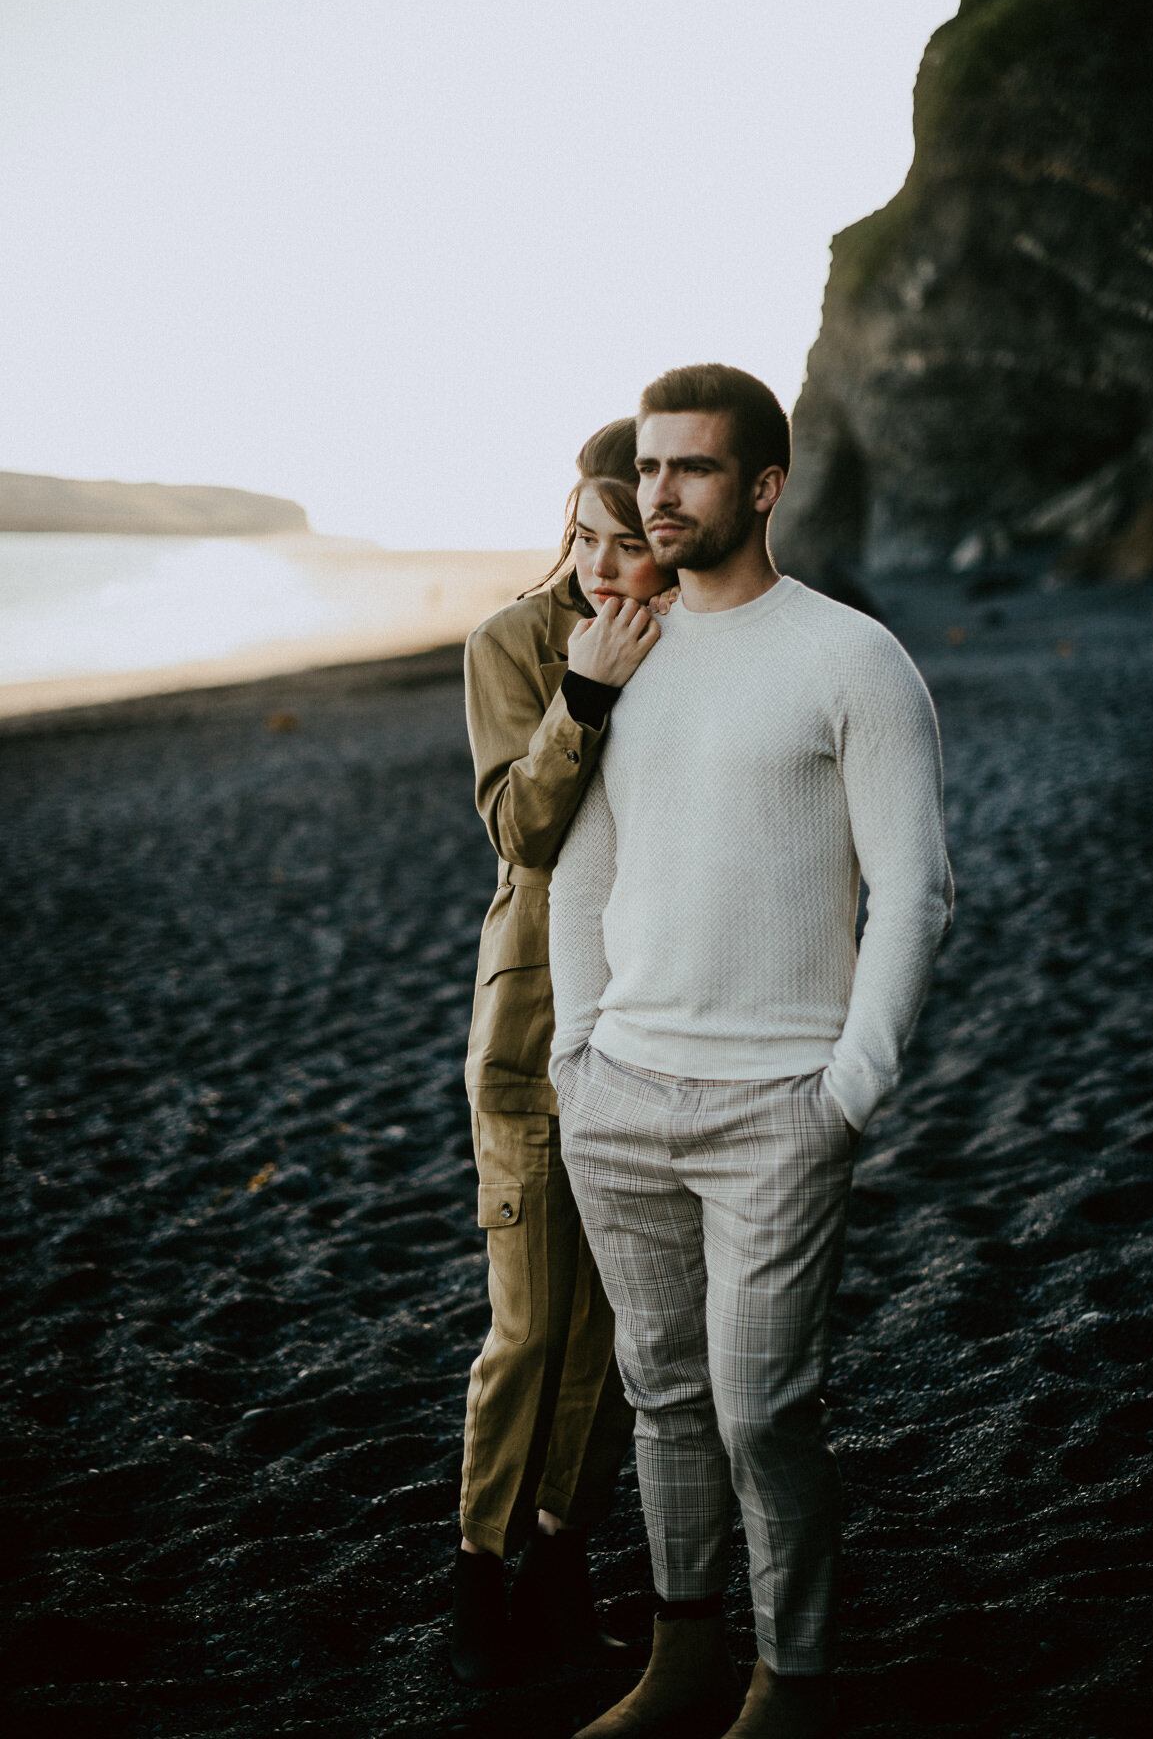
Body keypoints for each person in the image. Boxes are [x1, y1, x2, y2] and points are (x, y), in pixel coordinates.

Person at [548, 365, 954, 1738]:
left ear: (764, 487)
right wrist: (577, 1055)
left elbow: (916, 889)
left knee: (761, 1410)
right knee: (661, 1403)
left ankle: (794, 1676)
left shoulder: (851, 657)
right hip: (621, 1098)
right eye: (648, 468)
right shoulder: (623, 647)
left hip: (779, 1105)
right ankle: (678, 1661)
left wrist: (850, 1086)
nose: (658, 494)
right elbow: (574, 871)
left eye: (694, 470)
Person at [452, 419, 677, 1687]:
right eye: (584, 535)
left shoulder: (689, 650)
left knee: (613, 1338)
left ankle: (558, 1557)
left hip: (645, 1025)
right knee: (532, 1329)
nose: (600, 565)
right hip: (532, 1034)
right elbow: (521, 831)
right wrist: (585, 690)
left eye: (629, 543)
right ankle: (479, 1573)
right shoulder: (509, 646)